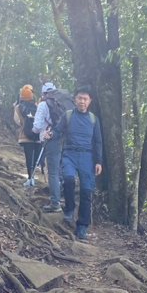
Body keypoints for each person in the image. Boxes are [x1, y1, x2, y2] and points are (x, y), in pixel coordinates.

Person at [59, 87, 103, 241]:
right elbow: (58, 131)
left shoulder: (93, 119)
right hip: (69, 154)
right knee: (68, 179)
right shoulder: (68, 116)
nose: (82, 101)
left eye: (85, 99)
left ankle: (82, 227)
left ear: (89, 101)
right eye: (79, 98)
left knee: (86, 192)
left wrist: (98, 161)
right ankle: (69, 209)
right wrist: (49, 134)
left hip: (87, 157)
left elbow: (98, 141)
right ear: (75, 99)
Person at [33, 82, 66, 214]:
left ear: (43, 94)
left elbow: (37, 126)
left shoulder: (43, 104)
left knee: (52, 172)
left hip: (50, 139)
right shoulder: (63, 103)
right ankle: (63, 197)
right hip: (65, 139)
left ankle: (55, 203)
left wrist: (36, 131)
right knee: (61, 170)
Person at [14, 85, 42, 186]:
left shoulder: (18, 107)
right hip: (37, 136)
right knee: (35, 159)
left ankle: (30, 178)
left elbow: (17, 121)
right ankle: (34, 177)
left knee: (28, 158)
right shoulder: (38, 106)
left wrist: (24, 125)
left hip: (25, 137)